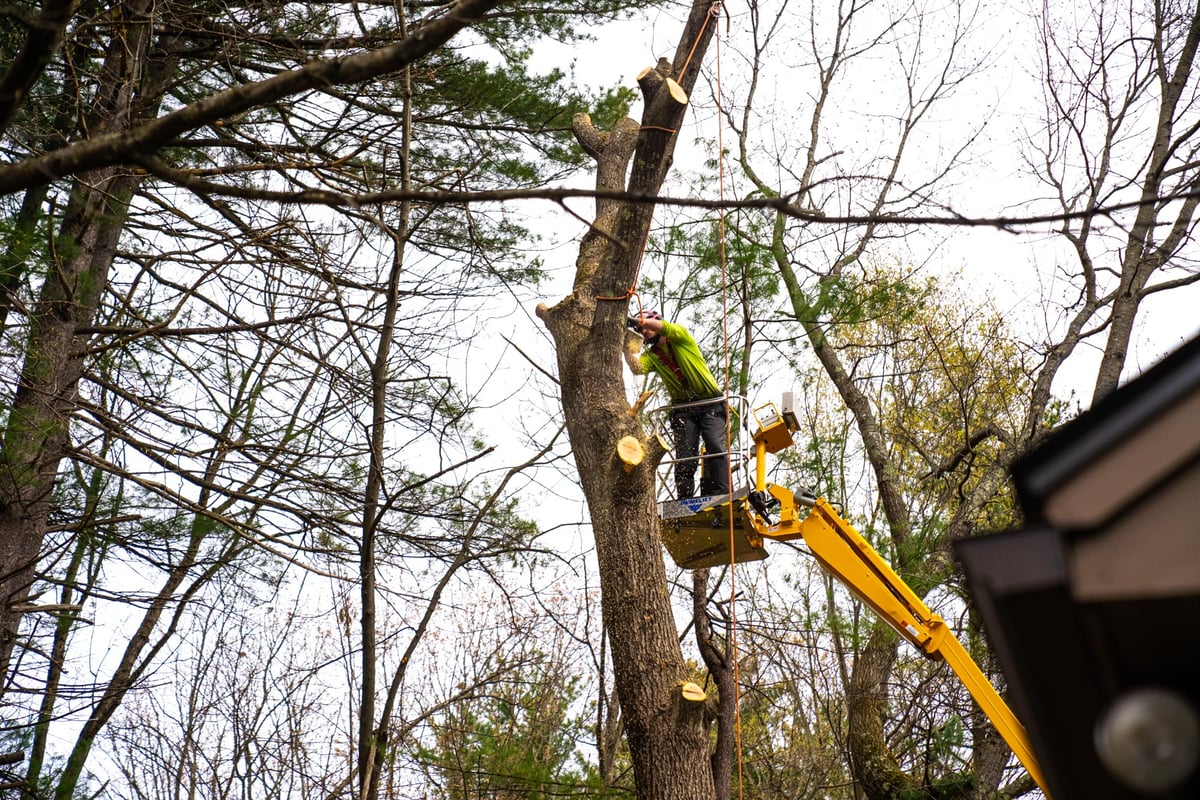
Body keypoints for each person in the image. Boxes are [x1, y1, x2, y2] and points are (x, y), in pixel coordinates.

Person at [623, 310, 730, 500]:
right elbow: (637, 368)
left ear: (655, 322)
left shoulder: (680, 336)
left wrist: (640, 321)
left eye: (647, 327)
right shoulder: (653, 355)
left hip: (710, 403)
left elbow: (664, 328)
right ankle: (684, 498)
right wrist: (625, 347)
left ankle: (722, 492)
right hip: (684, 409)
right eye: (641, 330)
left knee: (714, 444)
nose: (645, 331)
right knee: (685, 455)